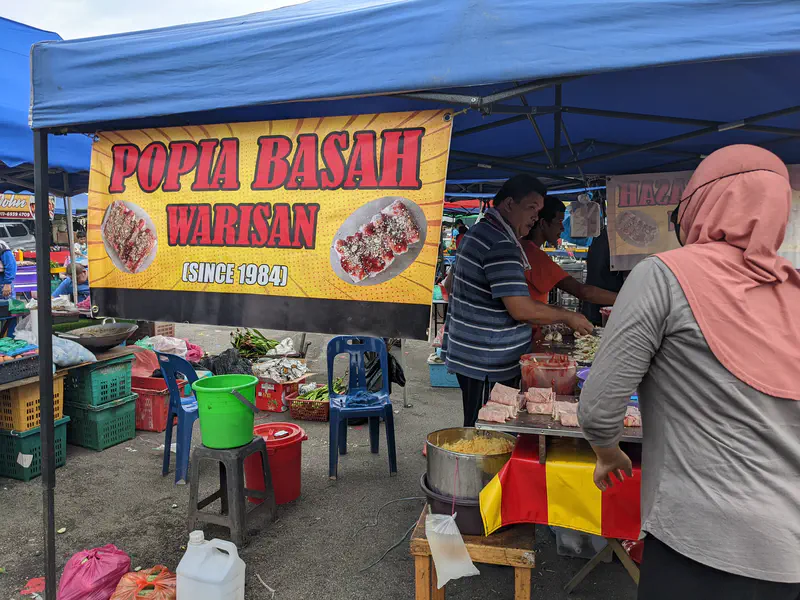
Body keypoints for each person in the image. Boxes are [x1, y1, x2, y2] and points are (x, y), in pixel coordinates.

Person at [579, 145, 800, 599]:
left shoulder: (663, 274)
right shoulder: (793, 287)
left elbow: (599, 408)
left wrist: (607, 452)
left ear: (701, 204)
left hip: (704, 543)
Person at [442, 174, 593, 427]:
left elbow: (450, 284)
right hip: (486, 361)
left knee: (479, 424)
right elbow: (520, 309)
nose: (535, 217)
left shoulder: (480, 231)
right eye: (531, 208)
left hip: (472, 354)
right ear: (509, 204)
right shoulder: (500, 243)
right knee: (488, 429)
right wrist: (568, 316)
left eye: (538, 210)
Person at [521, 196, 619, 307]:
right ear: (543, 223)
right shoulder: (534, 256)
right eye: (559, 222)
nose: (562, 228)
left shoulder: (523, 248)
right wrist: (625, 299)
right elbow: (584, 292)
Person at [581, 227, 625, 325]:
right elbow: (591, 291)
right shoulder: (608, 240)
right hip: (602, 315)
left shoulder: (607, 238)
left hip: (607, 312)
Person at [0, 240, 18, 336]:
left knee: (9, 312)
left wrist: (7, 283)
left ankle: (10, 339)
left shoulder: (1, 246)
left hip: (3, 282)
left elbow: (11, 264)